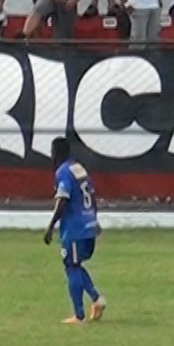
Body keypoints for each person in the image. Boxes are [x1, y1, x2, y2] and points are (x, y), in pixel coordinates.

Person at [41, 137, 105, 325]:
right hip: (88, 225)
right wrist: (95, 219)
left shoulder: (62, 173)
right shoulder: (79, 169)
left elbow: (63, 200)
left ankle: (79, 316)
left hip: (75, 228)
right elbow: (92, 196)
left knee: (72, 267)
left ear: (55, 153)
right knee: (74, 264)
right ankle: (96, 299)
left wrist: (51, 226)